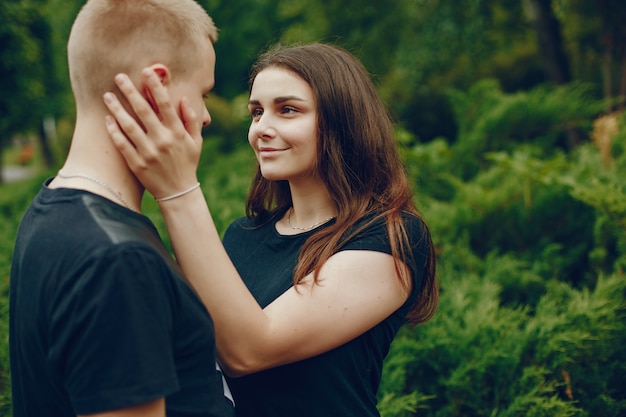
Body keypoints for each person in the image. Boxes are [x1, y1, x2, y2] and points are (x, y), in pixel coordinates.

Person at [104, 43, 439, 417]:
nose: (261, 128)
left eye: (288, 110)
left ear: (343, 120)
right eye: (257, 112)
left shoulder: (390, 237)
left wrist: (178, 189)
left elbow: (250, 350)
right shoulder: (242, 234)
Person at [9, 1, 234, 416]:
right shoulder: (117, 259)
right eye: (203, 93)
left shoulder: (53, 210)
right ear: (157, 87)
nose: (205, 117)